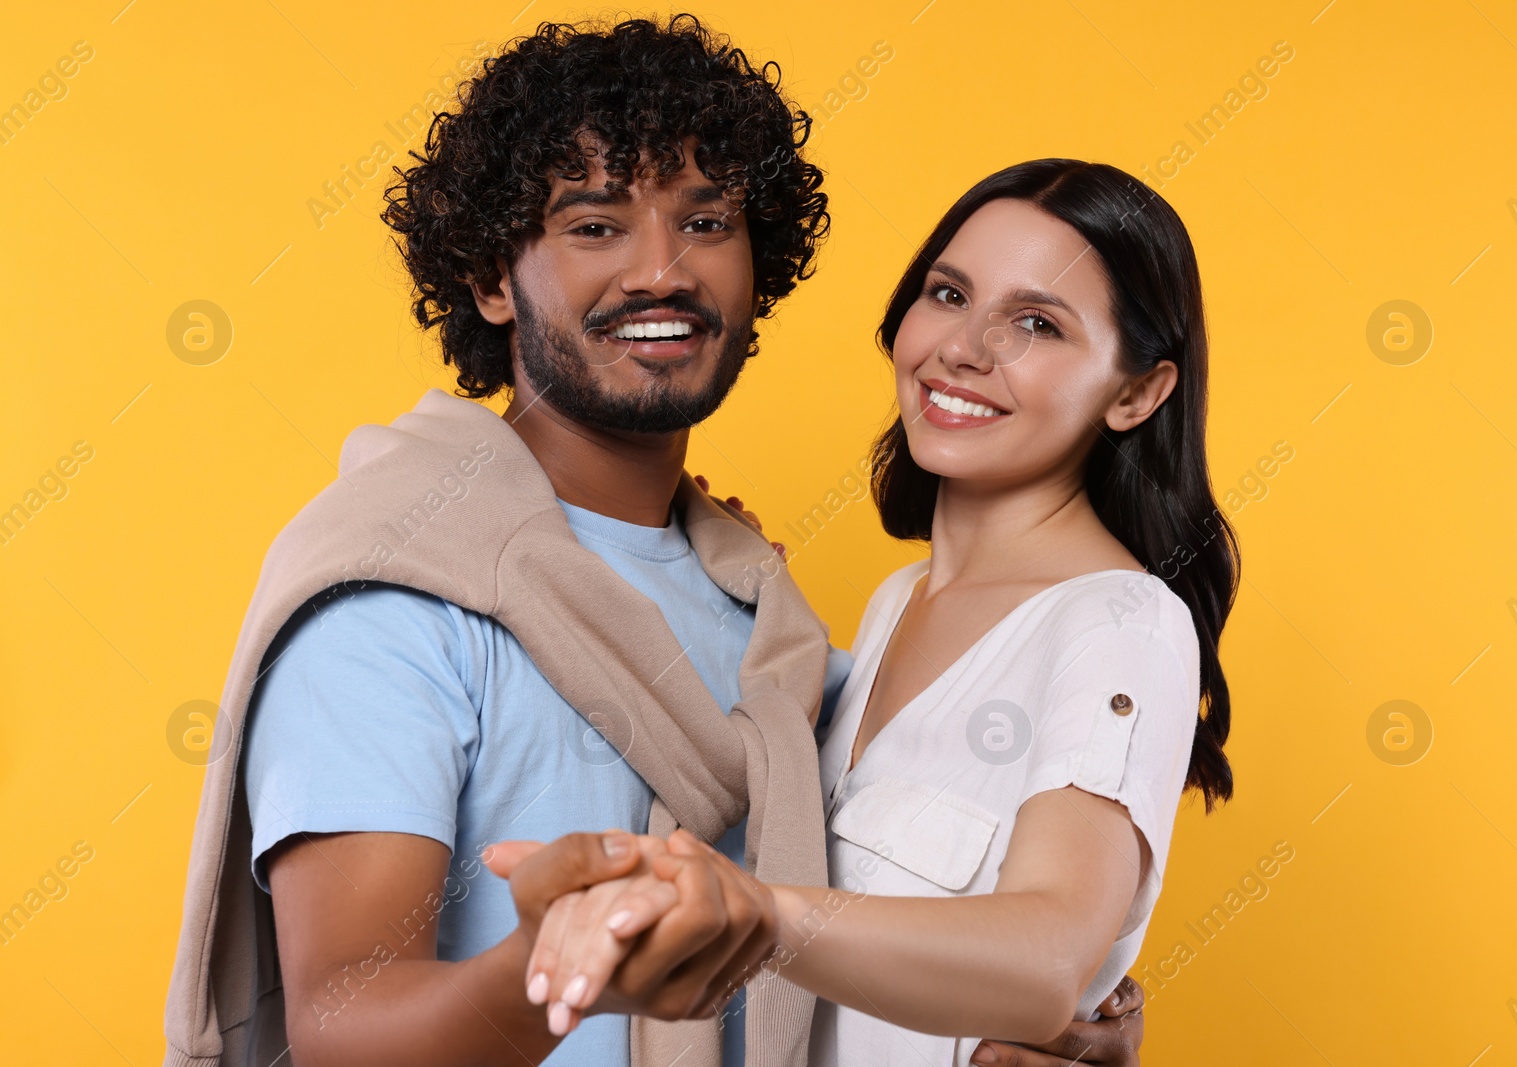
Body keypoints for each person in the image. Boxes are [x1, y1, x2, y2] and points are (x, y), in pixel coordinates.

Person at [160, 14, 1146, 1067]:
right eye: (595, 225)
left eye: (708, 221)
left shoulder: (772, 628)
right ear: (495, 278)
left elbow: (873, 924)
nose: (661, 270)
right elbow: (340, 1030)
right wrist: (556, 967)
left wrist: (1027, 1028)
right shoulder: (398, 594)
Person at [513, 159, 1240, 1067]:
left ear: (1137, 391)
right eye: (948, 293)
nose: (964, 348)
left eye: (1038, 324)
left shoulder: (1120, 624)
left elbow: (1050, 958)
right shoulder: (897, 603)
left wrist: (758, 911)